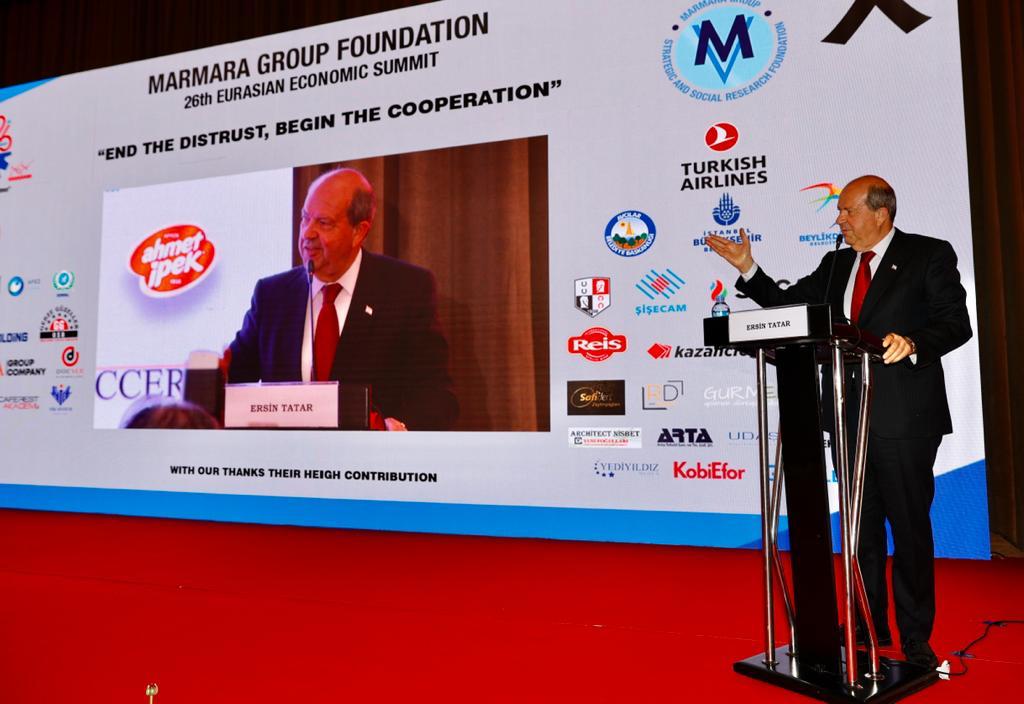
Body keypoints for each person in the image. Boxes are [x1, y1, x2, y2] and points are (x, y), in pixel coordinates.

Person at [706, 175, 972, 669]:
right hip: (848, 414)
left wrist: (914, 342)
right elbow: (791, 309)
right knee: (859, 531)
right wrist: (748, 268)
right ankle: (868, 624)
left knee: (909, 529)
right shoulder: (836, 264)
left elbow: (955, 322)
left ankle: (915, 636)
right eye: (841, 211)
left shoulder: (928, 254)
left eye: (848, 211)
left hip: (904, 417)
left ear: (881, 213)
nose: (839, 219)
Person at [227, 168, 458, 431]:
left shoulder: (405, 290)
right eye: (305, 218)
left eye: (323, 223)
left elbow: (438, 396)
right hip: (286, 455)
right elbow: (233, 377)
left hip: (370, 455)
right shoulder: (272, 295)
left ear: (359, 231)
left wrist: (396, 428)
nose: (307, 233)